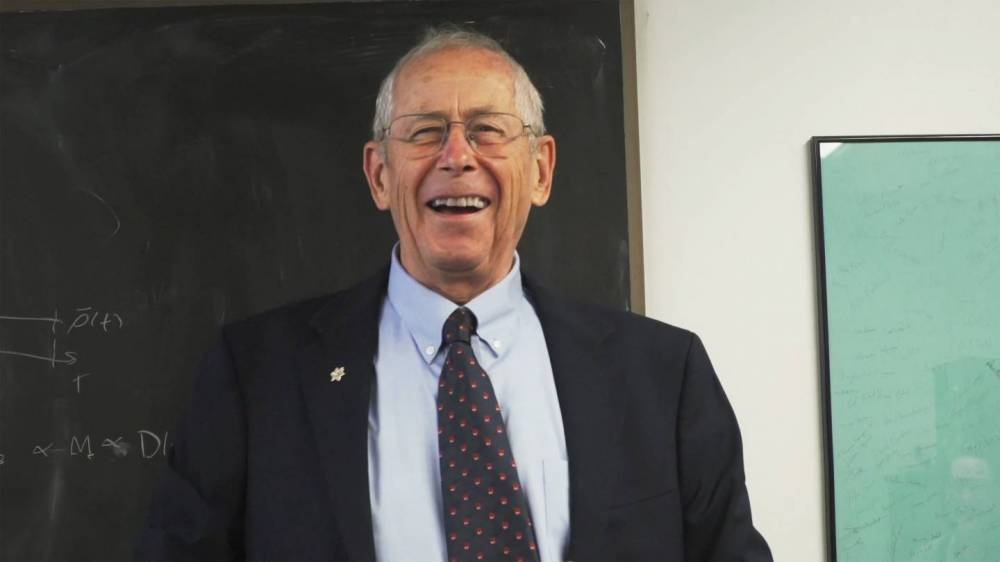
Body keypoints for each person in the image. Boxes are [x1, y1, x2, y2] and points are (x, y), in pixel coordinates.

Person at [137, 27, 772, 562]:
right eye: (424, 131)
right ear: (380, 175)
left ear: (542, 170)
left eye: (489, 130)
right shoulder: (256, 375)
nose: (457, 156)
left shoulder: (663, 373)